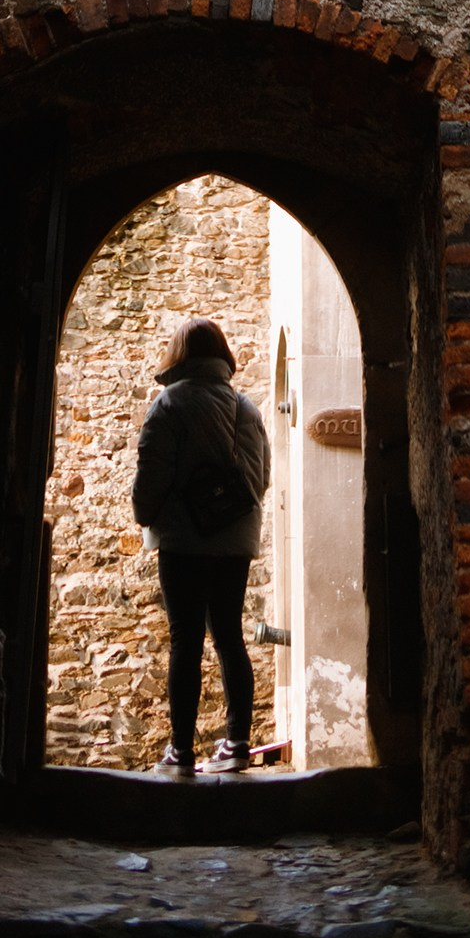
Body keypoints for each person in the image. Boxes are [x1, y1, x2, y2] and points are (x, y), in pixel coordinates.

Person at [130, 315, 272, 776]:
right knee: (230, 637)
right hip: (235, 541)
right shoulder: (247, 408)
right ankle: (237, 745)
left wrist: (146, 515)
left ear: (179, 355)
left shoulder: (169, 404)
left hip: (184, 542)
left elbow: (151, 477)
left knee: (185, 642)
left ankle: (181, 751)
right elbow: (261, 477)